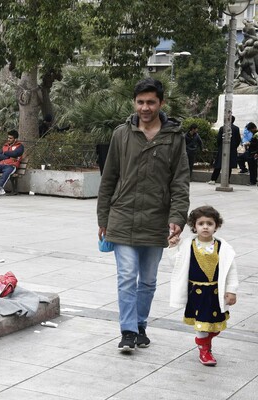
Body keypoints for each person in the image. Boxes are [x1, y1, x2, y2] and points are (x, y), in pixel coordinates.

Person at [96, 77, 190, 352]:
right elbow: (109, 177)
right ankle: (127, 331)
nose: (145, 107)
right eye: (140, 102)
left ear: (161, 103)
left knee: (147, 281)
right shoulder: (120, 135)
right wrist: (103, 218)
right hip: (122, 215)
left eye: (150, 102)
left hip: (156, 219)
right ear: (134, 103)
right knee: (127, 276)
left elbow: (180, 181)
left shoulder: (174, 138)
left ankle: (140, 325)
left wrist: (177, 217)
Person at [167, 206, 238, 366]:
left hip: (214, 292)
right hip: (196, 293)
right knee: (201, 322)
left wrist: (231, 290)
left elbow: (231, 270)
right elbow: (176, 265)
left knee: (215, 325)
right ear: (194, 226)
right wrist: (173, 247)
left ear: (216, 226)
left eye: (209, 223)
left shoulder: (223, 247)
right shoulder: (187, 245)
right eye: (201, 223)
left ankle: (205, 340)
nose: (205, 227)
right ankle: (204, 349)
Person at [208, 116, 241, 184]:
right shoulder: (236, 129)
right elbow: (238, 140)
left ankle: (213, 179)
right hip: (232, 150)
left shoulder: (222, 128)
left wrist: (220, 147)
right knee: (229, 166)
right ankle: (227, 180)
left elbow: (218, 140)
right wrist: (234, 147)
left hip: (222, 149)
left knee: (218, 165)